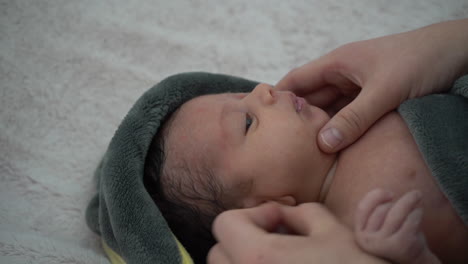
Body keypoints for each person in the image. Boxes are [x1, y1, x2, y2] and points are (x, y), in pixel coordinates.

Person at [144, 19, 468, 263]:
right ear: (268, 208)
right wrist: (411, 256)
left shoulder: (362, 111)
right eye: (247, 121)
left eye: (244, 93)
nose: (263, 90)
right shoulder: (351, 239)